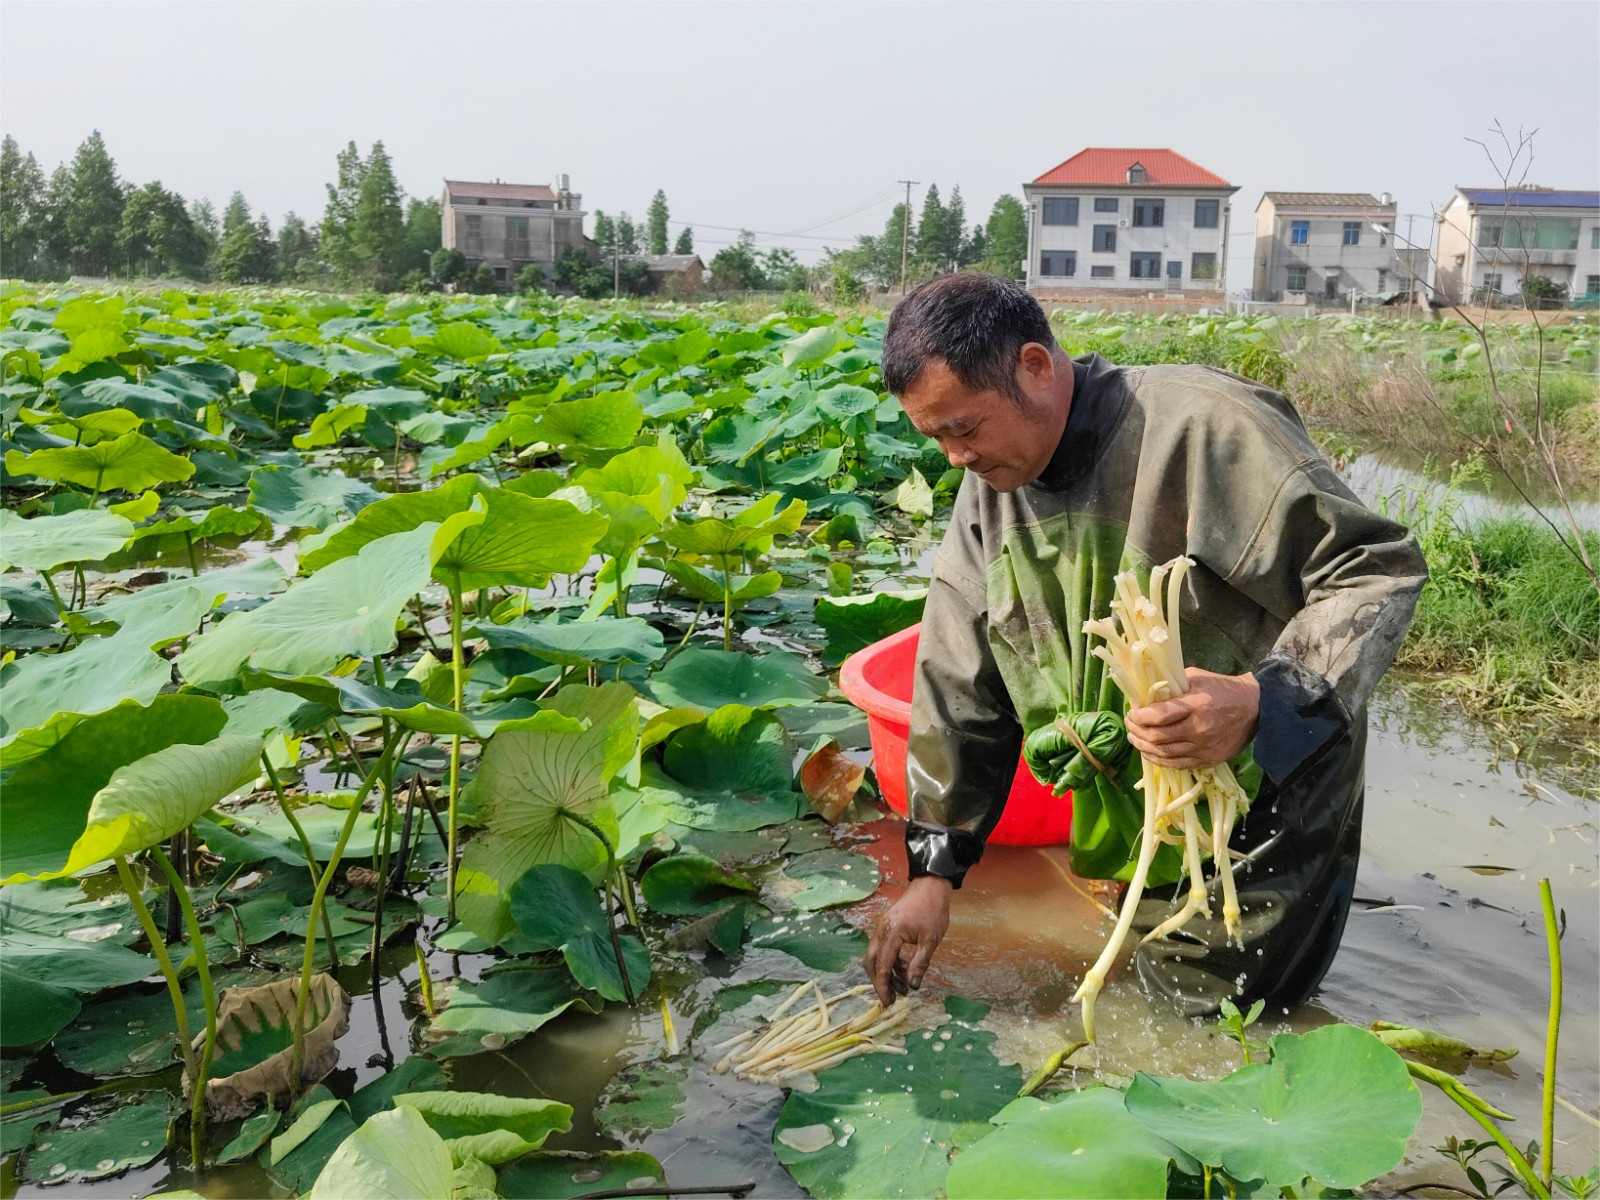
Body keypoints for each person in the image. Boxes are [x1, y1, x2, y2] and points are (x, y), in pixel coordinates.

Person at [863, 273, 1427, 1018]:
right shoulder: (991, 483)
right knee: (1131, 980)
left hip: (1260, 783)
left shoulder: (1204, 427)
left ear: (1035, 366)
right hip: (1132, 789)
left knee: (1210, 1017)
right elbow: (958, 677)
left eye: (964, 428)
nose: (953, 457)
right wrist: (934, 871)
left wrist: (1264, 701)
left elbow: (1375, 572)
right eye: (934, 437)